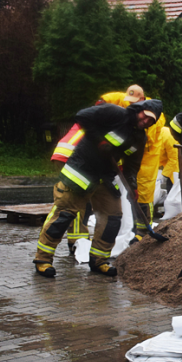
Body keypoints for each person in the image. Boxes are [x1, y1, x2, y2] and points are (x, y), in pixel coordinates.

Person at [34, 99, 163, 278]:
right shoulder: (115, 113)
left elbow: (132, 166)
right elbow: (82, 116)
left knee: (113, 217)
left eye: (151, 120)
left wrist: (132, 187)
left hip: (106, 176)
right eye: (145, 116)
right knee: (64, 215)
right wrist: (99, 140)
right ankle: (43, 260)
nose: (146, 121)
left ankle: (98, 261)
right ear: (139, 110)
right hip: (82, 170)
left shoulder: (139, 138)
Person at [49, 85, 146, 252]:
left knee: (81, 201)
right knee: (75, 200)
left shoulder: (137, 114)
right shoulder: (116, 109)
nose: (130, 105)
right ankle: (76, 240)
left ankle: (76, 240)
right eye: (129, 102)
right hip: (78, 154)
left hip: (72, 149)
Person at [134, 125, 178, 238]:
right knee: (148, 195)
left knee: (172, 194)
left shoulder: (167, 134)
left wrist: (164, 175)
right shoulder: (144, 135)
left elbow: (174, 158)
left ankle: (172, 217)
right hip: (153, 167)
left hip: (174, 167)